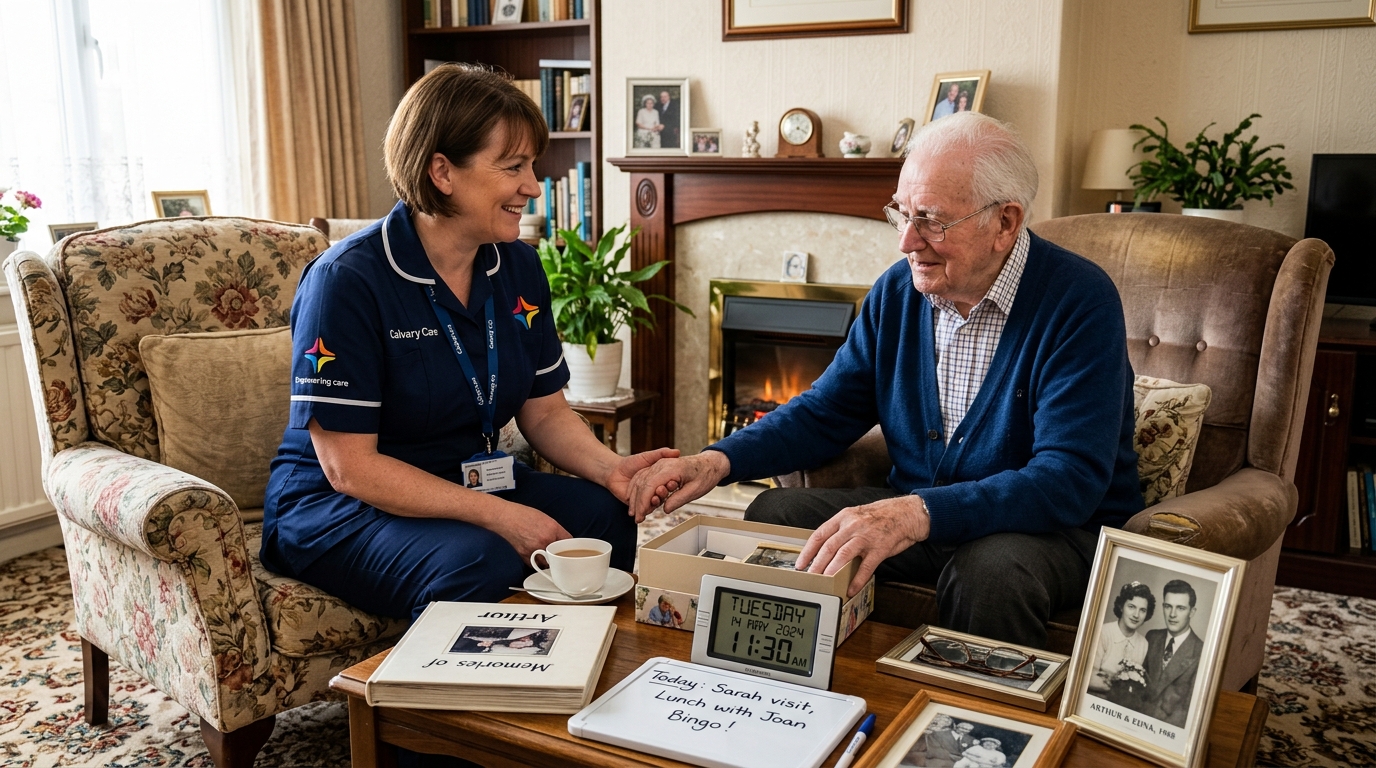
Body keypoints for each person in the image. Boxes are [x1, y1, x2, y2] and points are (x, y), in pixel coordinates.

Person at [627, 111, 1143, 650]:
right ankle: (806, 693)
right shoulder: (898, 292)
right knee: (774, 516)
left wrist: (919, 512)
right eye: (901, 214)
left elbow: (1068, 479)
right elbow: (826, 410)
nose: (906, 242)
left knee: (989, 573)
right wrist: (717, 460)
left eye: (932, 221)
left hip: (1052, 530)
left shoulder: (1079, 301)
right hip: (928, 512)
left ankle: (968, 727)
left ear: (1005, 223)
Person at [259, 63, 679, 626]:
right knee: (476, 560)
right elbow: (351, 469)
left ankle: (577, 669)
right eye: (513, 167)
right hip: (341, 504)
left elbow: (546, 411)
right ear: (442, 172)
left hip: (466, 475)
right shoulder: (348, 282)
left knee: (603, 515)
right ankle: (447, 712)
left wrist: (612, 469)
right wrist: (500, 517)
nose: (532, 186)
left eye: (532, 166)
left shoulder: (520, 266)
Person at [1141, 579, 1203, 728]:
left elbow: (1188, 710)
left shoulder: (1201, 651)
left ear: (1192, 612)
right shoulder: (1152, 637)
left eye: (1180, 608)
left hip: (1168, 729)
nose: (1172, 614)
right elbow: (1138, 686)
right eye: (1168, 606)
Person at [1088, 581, 1154, 707]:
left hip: (1125, 705)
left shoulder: (1143, 644)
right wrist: (1123, 688)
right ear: (1121, 606)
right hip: (1096, 700)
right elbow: (1088, 677)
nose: (1136, 615)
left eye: (1142, 610)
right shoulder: (1104, 632)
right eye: (1131, 606)